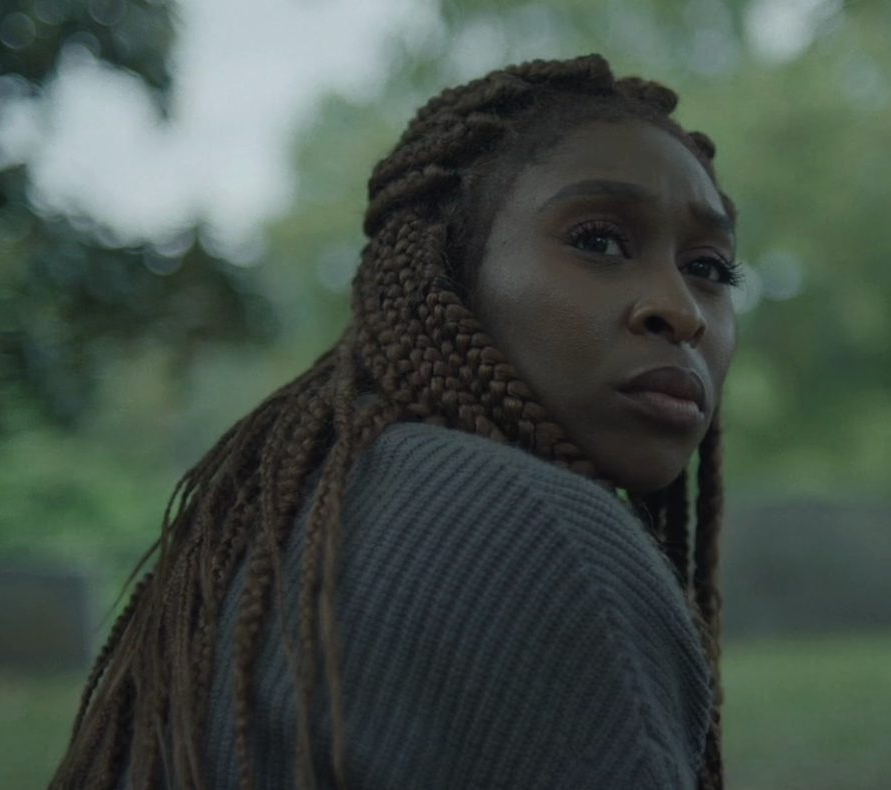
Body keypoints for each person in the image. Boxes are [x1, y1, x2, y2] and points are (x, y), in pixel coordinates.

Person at [49, 53, 740, 790]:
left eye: (710, 268)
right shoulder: (530, 526)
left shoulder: (317, 492)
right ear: (445, 272)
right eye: (599, 241)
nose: (683, 310)